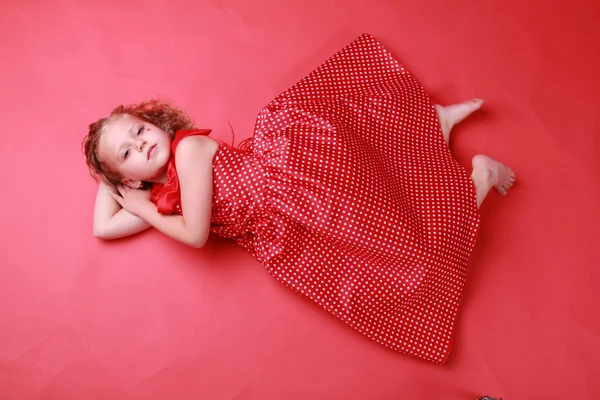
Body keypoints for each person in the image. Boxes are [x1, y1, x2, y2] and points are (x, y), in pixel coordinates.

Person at [82, 33, 515, 364]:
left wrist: (134, 195)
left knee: (388, 204)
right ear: (130, 179)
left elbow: (195, 234)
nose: (140, 145)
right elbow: (103, 228)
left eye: (139, 130)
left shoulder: (188, 151)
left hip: (296, 181)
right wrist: (113, 176)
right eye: (127, 152)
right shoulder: (164, 201)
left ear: (155, 122)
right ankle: (470, 169)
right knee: (391, 262)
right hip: (288, 229)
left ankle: (435, 125)